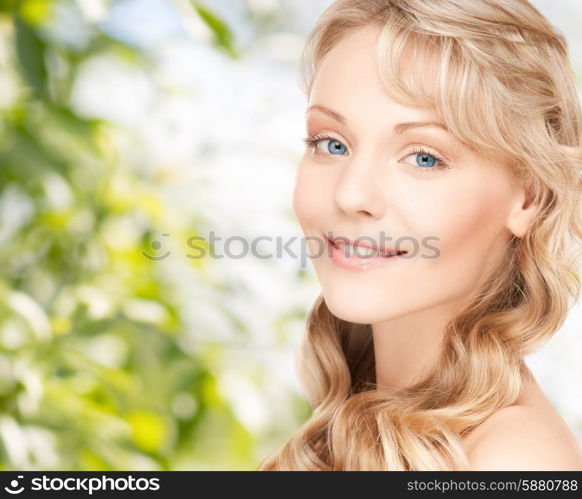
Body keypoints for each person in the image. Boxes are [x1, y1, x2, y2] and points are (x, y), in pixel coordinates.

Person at [259, 0, 582, 471]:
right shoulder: (364, 409)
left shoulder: (513, 462)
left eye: (424, 157)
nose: (351, 195)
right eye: (331, 144)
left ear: (529, 196)